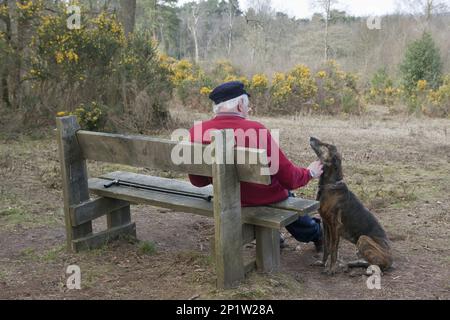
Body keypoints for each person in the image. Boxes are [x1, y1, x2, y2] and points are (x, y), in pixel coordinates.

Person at [188, 81, 324, 251]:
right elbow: (288, 178)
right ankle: (317, 233)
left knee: (283, 194)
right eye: (247, 104)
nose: (248, 109)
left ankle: (278, 235)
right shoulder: (256, 130)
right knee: (287, 194)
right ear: (239, 105)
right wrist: (310, 172)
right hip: (262, 198)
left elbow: (197, 181)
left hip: (226, 197)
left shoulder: (197, 130)